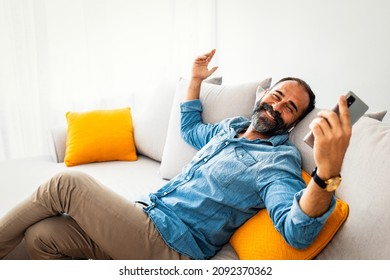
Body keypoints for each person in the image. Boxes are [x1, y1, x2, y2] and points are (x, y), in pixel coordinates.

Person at [0, 49, 352, 260]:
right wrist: (195, 80)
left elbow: (297, 230)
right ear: (264, 96)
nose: (278, 107)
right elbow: (189, 129)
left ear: (293, 124)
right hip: (145, 216)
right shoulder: (230, 128)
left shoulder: (278, 161)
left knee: (67, 183)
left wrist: (327, 169)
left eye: (290, 108)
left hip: (173, 247)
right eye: (277, 96)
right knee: (42, 236)